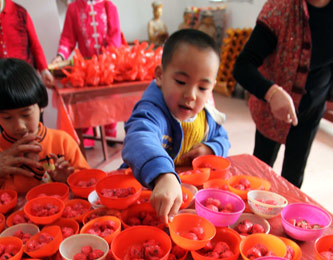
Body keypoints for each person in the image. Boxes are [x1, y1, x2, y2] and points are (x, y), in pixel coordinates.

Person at [122, 29, 230, 224]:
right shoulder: (152, 111)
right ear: (160, 76)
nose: (191, 95)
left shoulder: (206, 116)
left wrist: (210, 148)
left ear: (211, 88)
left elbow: (222, 138)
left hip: (184, 197)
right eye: (181, 82)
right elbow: (138, 137)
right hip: (142, 187)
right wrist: (163, 175)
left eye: (202, 88)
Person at [233, 0, 333, 189]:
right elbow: (242, 66)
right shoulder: (280, 9)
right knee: (259, 175)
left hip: (313, 107)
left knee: (293, 178)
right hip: (273, 108)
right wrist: (271, 93)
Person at [0, 58, 90, 195]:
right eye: (7, 117)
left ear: (41, 106)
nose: (19, 126)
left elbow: (90, 183)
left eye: (26, 115)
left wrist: (69, 179)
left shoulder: (62, 142)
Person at [51, 0, 122, 142]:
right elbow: (67, 38)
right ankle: (88, 136)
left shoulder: (109, 6)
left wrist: (104, 60)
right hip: (85, 70)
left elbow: (115, 37)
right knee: (86, 103)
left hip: (108, 66)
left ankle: (109, 135)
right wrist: (60, 56)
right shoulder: (74, 8)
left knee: (109, 100)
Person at [0, 0, 54, 88]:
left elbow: (35, 44)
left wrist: (44, 70)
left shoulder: (19, 12)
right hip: (2, 84)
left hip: (24, 77)